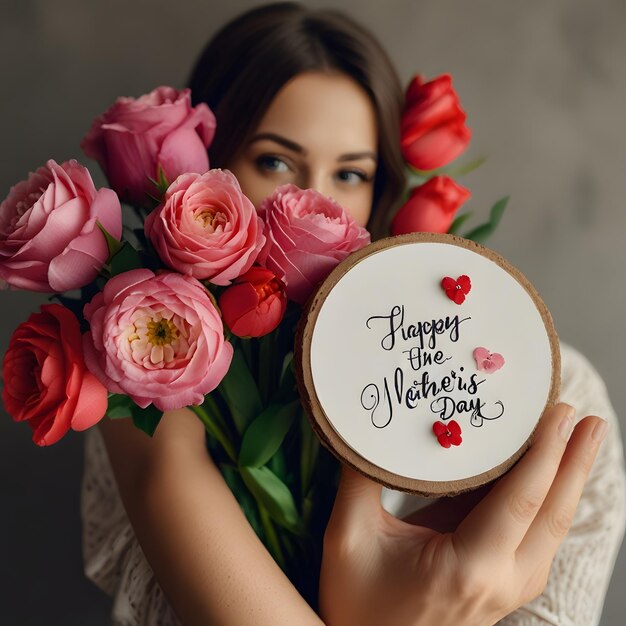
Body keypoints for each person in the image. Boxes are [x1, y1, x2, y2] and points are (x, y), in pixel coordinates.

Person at [81, 3, 626, 625]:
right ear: (207, 172)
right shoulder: (151, 375)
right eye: (275, 162)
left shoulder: (556, 395)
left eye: (350, 172)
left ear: (384, 190)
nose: (312, 199)